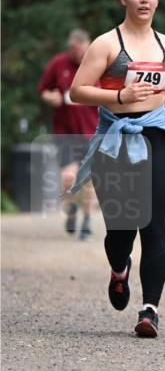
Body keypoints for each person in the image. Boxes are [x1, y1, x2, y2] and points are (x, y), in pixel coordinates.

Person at [68, 0, 165, 338]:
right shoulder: (106, 44)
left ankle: (149, 310)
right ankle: (120, 269)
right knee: (120, 230)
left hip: (157, 138)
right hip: (115, 141)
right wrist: (119, 97)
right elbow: (78, 91)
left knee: (153, 227)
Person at [38, 28, 98, 239]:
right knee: (68, 177)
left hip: (92, 132)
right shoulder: (58, 64)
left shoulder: (97, 64)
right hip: (65, 132)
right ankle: (72, 211)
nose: (79, 55)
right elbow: (43, 90)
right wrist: (50, 97)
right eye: (75, 50)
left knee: (90, 180)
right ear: (70, 47)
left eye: (82, 50)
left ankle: (88, 221)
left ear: (88, 46)